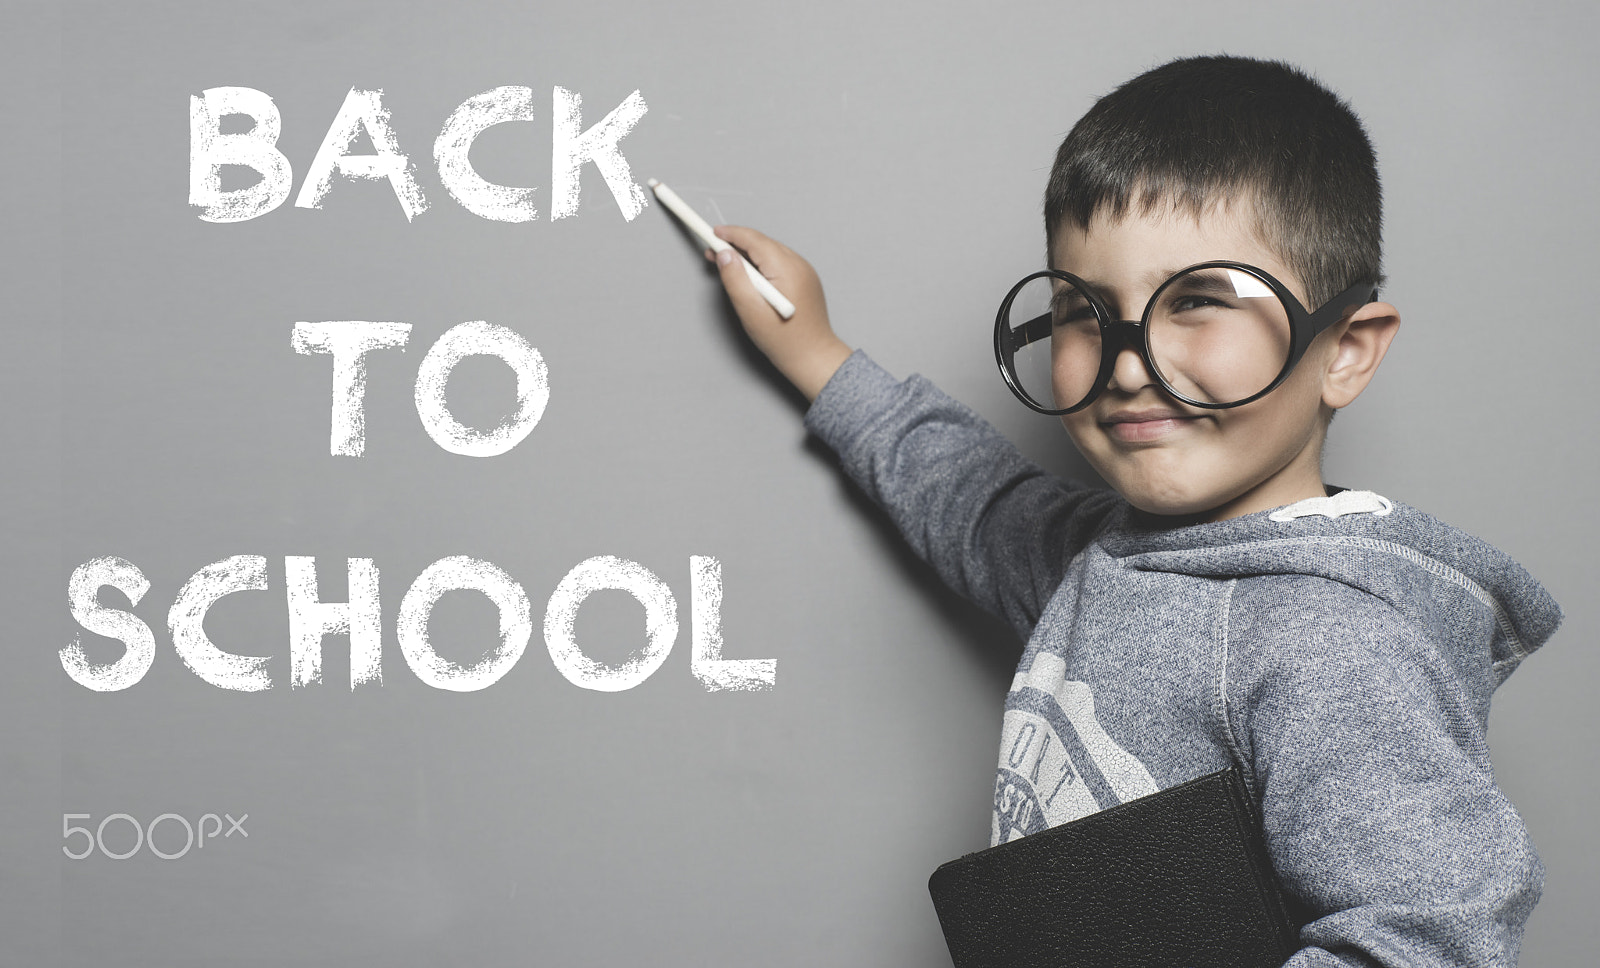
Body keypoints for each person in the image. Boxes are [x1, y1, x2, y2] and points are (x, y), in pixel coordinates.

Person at [699, 55, 1561, 966]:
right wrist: (819, 355)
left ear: (1345, 349)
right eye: (1081, 311)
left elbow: (1427, 942)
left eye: (1196, 301)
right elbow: (971, 501)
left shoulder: (1333, 644)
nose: (1125, 363)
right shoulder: (1107, 563)